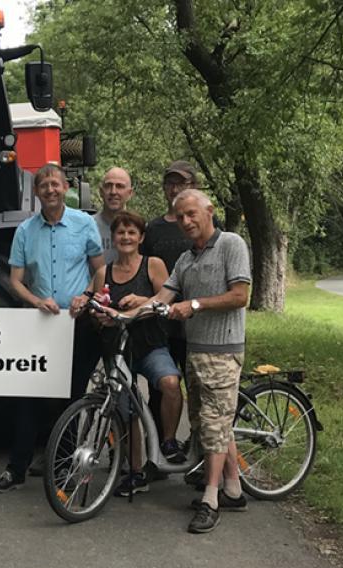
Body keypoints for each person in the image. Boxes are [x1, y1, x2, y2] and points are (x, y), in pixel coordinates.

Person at [0, 164, 104, 493]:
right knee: (30, 398)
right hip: (40, 326)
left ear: (66, 187)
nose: (50, 189)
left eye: (55, 184)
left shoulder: (84, 224)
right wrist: (36, 301)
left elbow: (100, 269)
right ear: (36, 192)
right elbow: (15, 280)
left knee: (72, 397)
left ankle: (63, 466)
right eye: (43, 185)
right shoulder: (25, 230)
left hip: (78, 324)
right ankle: (16, 469)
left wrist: (87, 296)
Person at [153, 189, 252, 534]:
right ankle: (233, 490)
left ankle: (211, 499)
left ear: (209, 211)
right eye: (180, 216)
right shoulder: (185, 259)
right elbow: (162, 297)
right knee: (210, 423)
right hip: (195, 351)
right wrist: (128, 309)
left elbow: (240, 296)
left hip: (223, 351)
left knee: (213, 425)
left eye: (191, 213)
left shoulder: (231, 244)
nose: (185, 221)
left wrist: (194, 305)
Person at [77, 211, 183, 498]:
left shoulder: (153, 265)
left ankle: (169, 441)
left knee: (170, 383)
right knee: (126, 410)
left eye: (131, 232)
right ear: (113, 238)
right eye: (120, 233)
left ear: (141, 237)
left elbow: (167, 299)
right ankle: (136, 471)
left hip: (149, 345)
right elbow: (92, 303)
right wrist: (95, 312)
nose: (126, 237)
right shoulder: (104, 272)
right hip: (118, 350)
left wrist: (142, 300)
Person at [140, 161, 198, 476]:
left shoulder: (203, 224)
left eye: (181, 183)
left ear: (194, 187)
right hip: (162, 324)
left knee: (199, 393)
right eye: (170, 183)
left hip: (196, 325)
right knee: (160, 389)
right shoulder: (153, 229)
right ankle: (160, 450)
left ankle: (200, 455)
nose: (174, 189)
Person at [92, 167, 134, 262]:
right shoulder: (87, 226)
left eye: (120, 186)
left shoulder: (138, 229)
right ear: (101, 191)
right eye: (108, 186)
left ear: (130, 193)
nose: (113, 192)